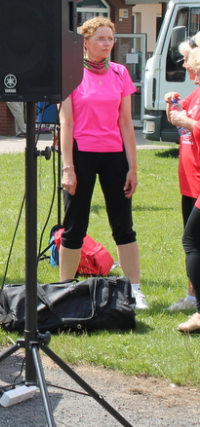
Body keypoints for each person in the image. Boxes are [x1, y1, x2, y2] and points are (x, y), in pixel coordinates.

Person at [58, 16, 146, 310]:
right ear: (85, 43)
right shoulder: (71, 74)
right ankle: (63, 291)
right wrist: (67, 167)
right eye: (101, 39)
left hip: (114, 157)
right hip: (82, 154)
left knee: (124, 225)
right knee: (74, 226)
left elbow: (125, 123)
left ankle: (134, 289)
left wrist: (133, 166)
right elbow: (66, 122)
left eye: (110, 39)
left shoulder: (120, 73)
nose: (107, 44)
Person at [165, 38, 200, 312]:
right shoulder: (195, 94)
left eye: (187, 59)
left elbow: (192, 125)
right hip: (188, 181)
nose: (184, 63)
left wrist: (187, 122)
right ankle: (192, 296)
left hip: (199, 182)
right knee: (192, 242)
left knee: (192, 241)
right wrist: (172, 106)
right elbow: (180, 122)